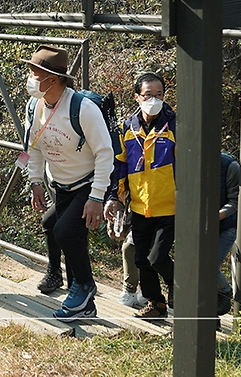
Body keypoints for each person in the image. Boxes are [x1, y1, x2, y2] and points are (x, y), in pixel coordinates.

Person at [20, 45, 115, 322]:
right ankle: (83, 304)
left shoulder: (82, 108)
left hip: (87, 182)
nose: (30, 78)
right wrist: (35, 181)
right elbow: (34, 147)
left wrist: (97, 197)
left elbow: (105, 153)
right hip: (59, 183)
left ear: (53, 79)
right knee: (58, 228)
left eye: (35, 73)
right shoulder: (34, 106)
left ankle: (85, 286)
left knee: (63, 231)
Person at [104, 72, 176, 320]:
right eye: (148, 95)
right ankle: (156, 304)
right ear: (137, 97)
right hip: (140, 205)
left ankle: (179, 288)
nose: (154, 99)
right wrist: (114, 196)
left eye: (159, 95)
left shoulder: (176, 124)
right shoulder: (128, 127)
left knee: (158, 258)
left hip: (170, 206)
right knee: (142, 259)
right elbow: (120, 164)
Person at [216, 152, 241, 319]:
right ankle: (210, 316)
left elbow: (235, 201)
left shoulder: (230, 166)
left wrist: (216, 216)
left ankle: (225, 293)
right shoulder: (186, 161)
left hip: (226, 225)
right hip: (197, 226)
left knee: (208, 266)